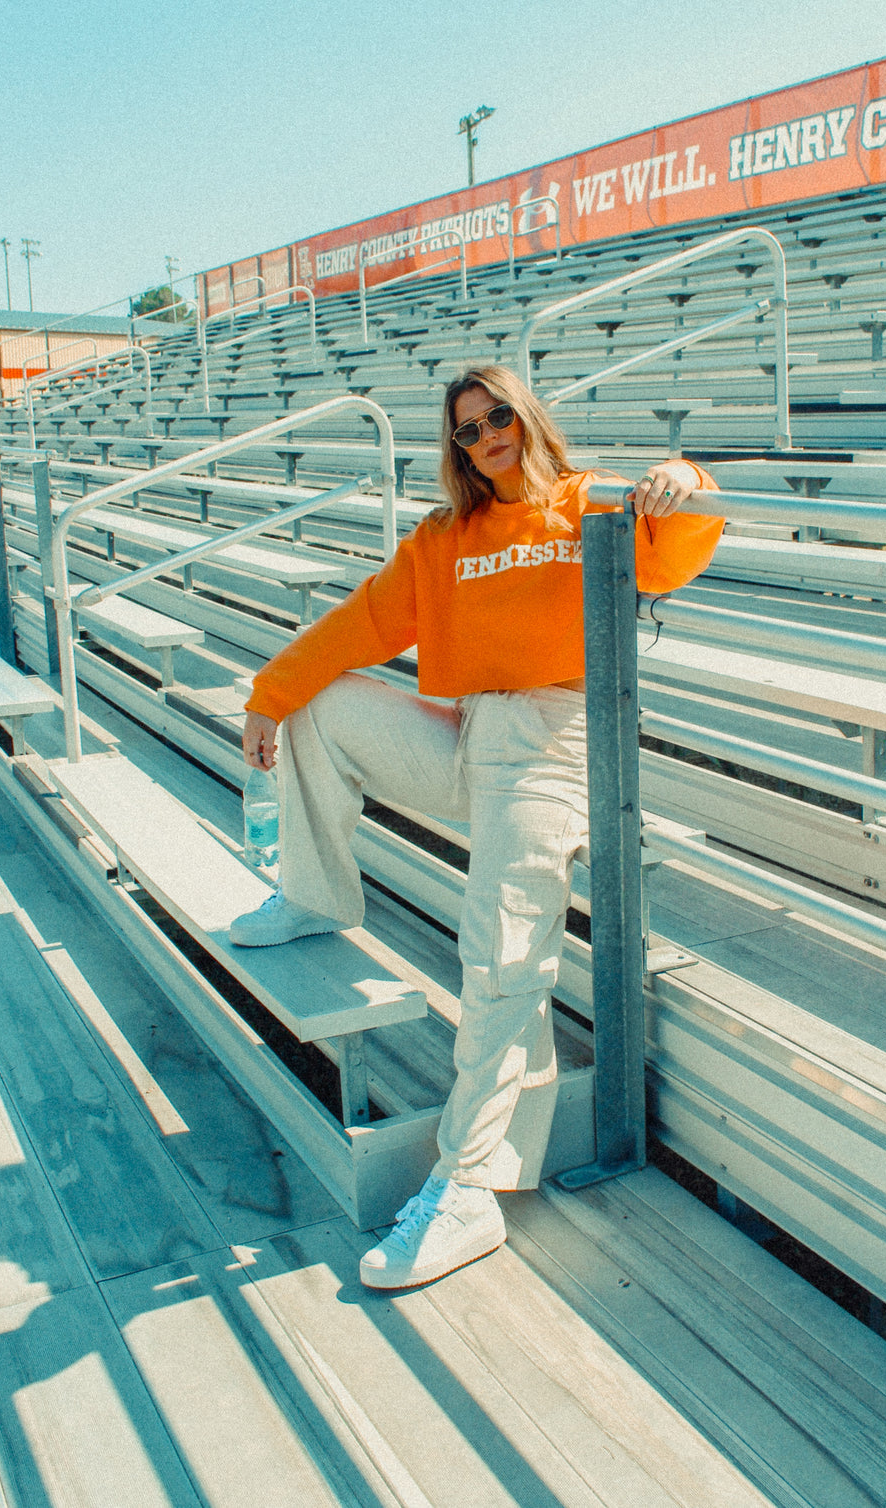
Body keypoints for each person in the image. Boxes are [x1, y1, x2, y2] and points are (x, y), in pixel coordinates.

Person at [232, 364, 724, 1289]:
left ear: (527, 418)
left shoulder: (593, 506)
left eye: (500, 416)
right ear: (455, 448)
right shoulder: (446, 538)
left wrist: (683, 478)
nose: (488, 435)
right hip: (470, 735)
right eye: (468, 428)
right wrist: (270, 692)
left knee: (499, 952)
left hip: (553, 738)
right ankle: (312, 894)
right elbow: (358, 623)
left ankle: (467, 1188)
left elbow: (683, 538)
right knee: (316, 704)